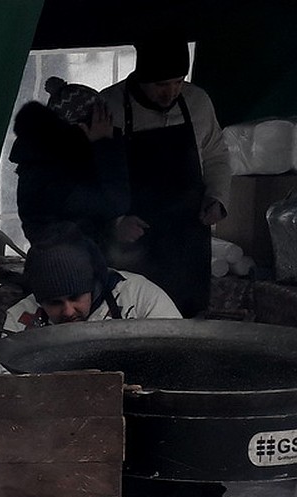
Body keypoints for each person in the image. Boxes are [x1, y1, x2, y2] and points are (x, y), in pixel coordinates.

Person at [98, 36, 232, 317]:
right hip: (132, 243)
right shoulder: (109, 106)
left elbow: (216, 154)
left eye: (178, 82)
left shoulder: (197, 101)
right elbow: (91, 174)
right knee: (134, 315)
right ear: (140, 77)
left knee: (189, 317)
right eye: (161, 85)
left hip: (187, 236)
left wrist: (217, 197)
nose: (170, 92)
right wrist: (115, 221)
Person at [9, 77, 133, 248]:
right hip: (67, 264)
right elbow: (114, 203)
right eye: (102, 123)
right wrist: (104, 144)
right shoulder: (49, 171)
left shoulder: (46, 160)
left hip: (72, 258)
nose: (110, 130)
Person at [3, 224, 182, 333]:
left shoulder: (140, 296)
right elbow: (10, 388)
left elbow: (180, 352)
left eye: (75, 298)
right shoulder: (20, 320)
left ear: (93, 284)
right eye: (54, 303)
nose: (68, 311)